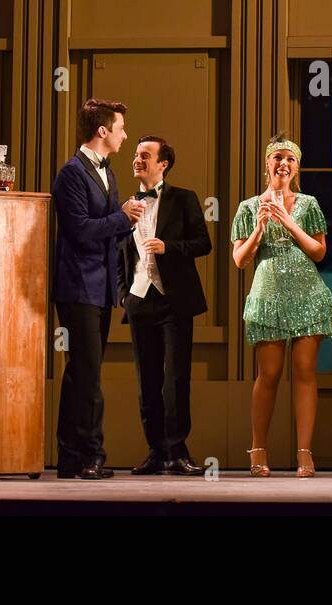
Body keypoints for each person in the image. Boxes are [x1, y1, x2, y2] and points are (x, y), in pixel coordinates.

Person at [231, 135, 332, 477]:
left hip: (307, 293)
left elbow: (319, 252)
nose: (283, 164)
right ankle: (258, 449)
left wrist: (288, 222)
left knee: (304, 372)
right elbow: (240, 260)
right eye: (277, 158)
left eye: (290, 159)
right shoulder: (248, 207)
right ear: (267, 164)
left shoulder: (309, 204)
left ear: (297, 166)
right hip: (268, 294)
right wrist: (260, 225)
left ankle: (305, 451)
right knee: (270, 374)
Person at [52, 98, 143, 480]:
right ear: (102, 131)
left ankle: (71, 458)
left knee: (81, 373)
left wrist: (125, 221)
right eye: (120, 128)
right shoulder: (71, 173)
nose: (124, 135)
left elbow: (108, 230)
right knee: (87, 374)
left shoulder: (109, 172)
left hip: (101, 287)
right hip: (77, 287)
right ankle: (91, 455)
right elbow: (81, 229)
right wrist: (121, 217)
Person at [117, 135, 212, 476]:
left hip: (174, 302)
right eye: (136, 154)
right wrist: (123, 295)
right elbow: (118, 253)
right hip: (140, 301)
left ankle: (178, 452)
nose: (137, 160)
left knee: (175, 379)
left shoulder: (183, 199)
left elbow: (204, 243)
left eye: (145, 155)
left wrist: (168, 247)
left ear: (163, 163)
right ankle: (156, 451)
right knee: (148, 382)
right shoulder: (126, 205)